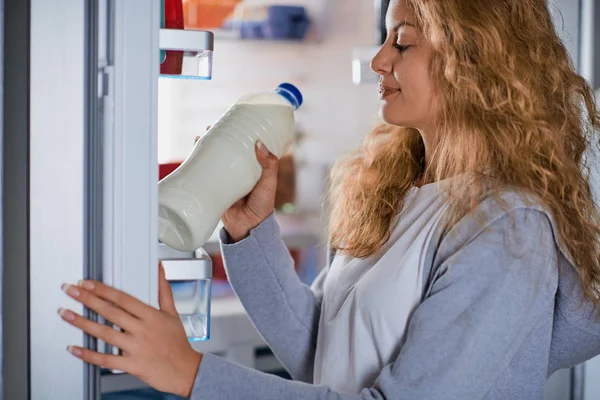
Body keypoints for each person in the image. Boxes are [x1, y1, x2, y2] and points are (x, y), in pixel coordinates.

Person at [58, 0, 600, 398]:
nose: (378, 61)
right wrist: (251, 229)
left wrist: (190, 373)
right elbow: (319, 350)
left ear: (475, 60)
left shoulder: (507, 229)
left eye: (403, 41)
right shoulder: (405, 192)